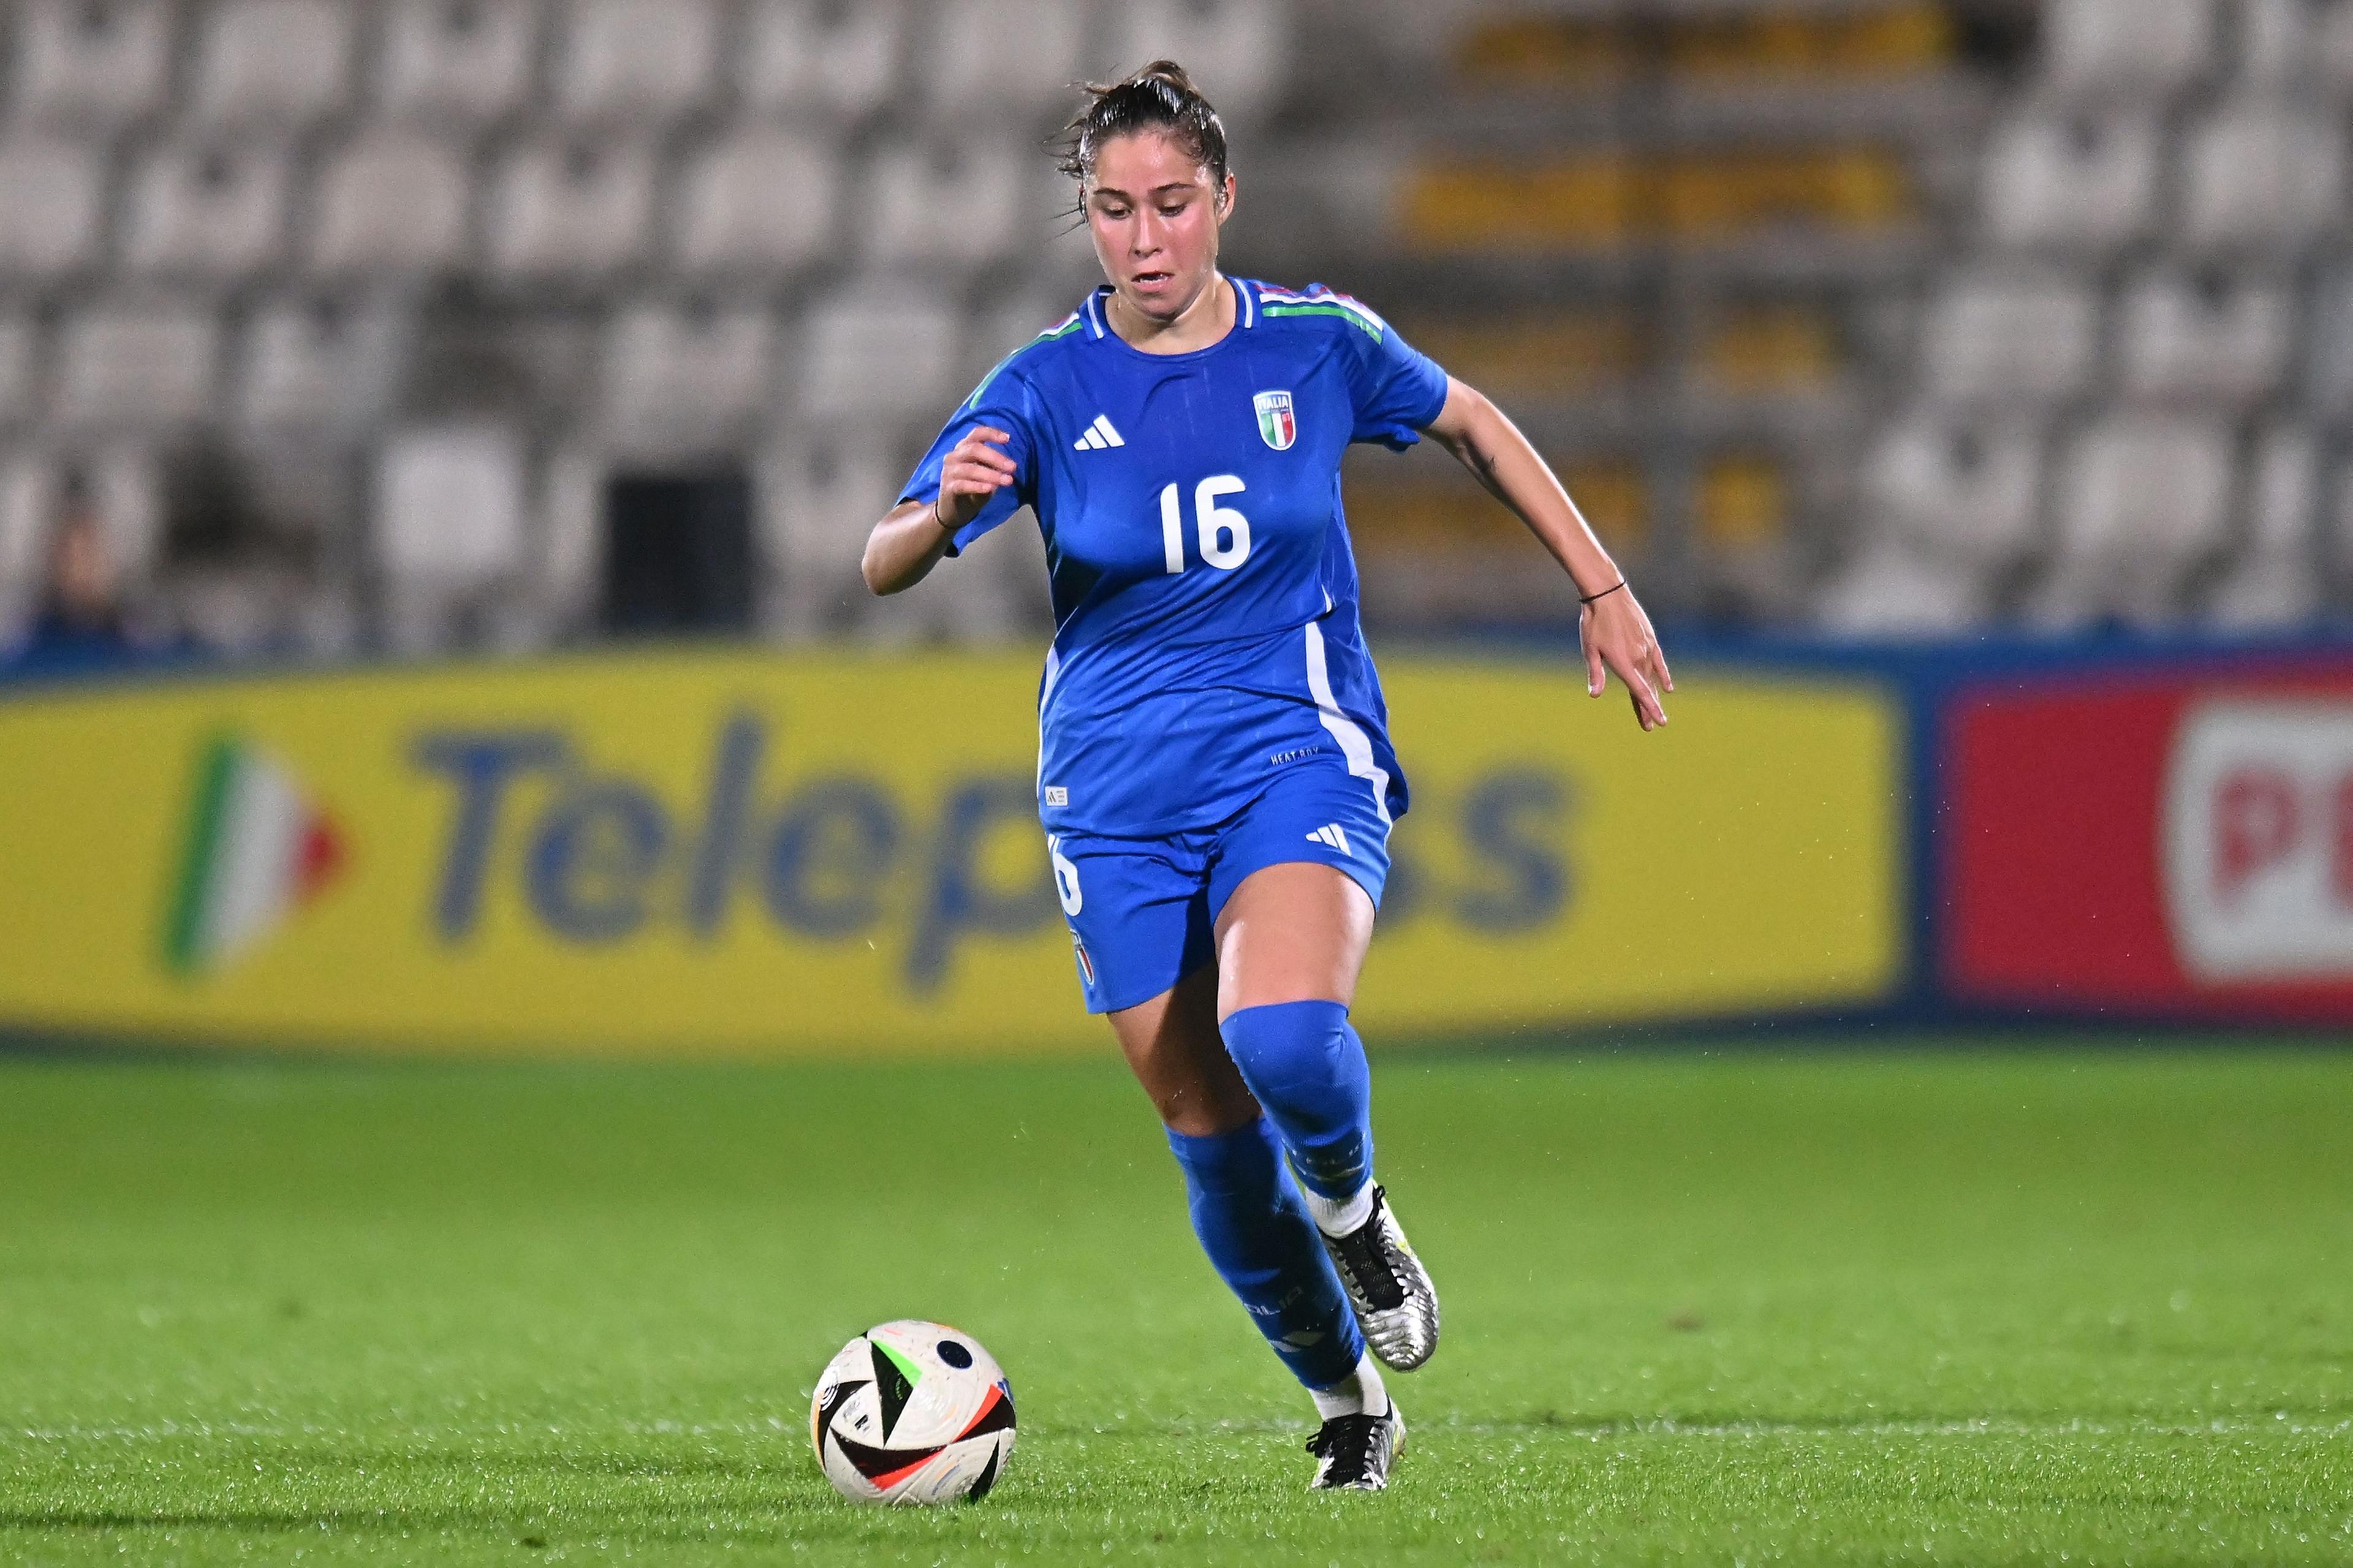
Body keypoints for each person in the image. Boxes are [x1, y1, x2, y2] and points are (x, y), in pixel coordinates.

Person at [862, 62, 1672, 1492]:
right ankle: (1351, 1402)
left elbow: (1474, 422)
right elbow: (880, 555)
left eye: (1173, 203)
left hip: (1293, 746)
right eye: (1113, 211)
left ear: (1225, 198)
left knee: (1286, 1035)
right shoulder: (1046, 384)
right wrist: (944, 516)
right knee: (1214, 1144)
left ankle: (1357, 1216)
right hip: (1112, 798)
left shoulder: (1316, 343)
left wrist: (1600, 582)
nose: (1146, 238)